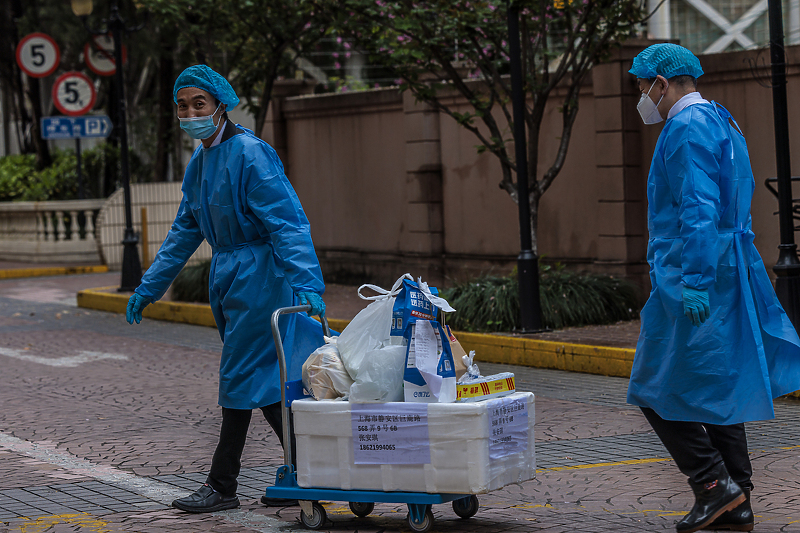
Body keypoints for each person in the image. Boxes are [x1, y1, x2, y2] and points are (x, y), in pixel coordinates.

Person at [126, 64, 327, 513]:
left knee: (239, 378)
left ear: (220, 104)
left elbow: (286, 222)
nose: (191, 112)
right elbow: (184, 231)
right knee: (266, 384)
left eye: (199, 103)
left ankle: (222, 485)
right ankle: (311, 470)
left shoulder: (251, 153)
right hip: (231, 277)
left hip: (261, 278)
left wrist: (308, 282)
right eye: (182, 106)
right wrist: (149, 286)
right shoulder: (200, 162)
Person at [627, 43, 800, 533]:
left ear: (662, 83)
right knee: (718, 384)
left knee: (653, 386)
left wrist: (695, 282)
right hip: (727, 267)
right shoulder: (721, 118)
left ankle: (711, 485)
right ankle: (737, 498)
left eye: (644, 86)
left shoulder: (683, 129)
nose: (642, 96)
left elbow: (697, 210)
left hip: (693, 272)